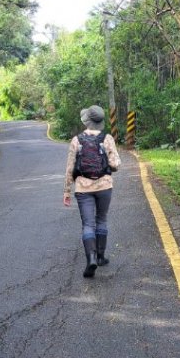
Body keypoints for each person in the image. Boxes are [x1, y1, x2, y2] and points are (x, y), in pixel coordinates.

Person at [63, 105, 120, 277]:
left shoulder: (76, 140)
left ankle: (91, 259)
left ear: (87, 121)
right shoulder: (107, 138)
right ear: (100, 121)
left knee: (88, 224)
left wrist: (66, 191)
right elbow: (116, 163)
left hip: (83, 188)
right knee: (101, 220)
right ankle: (101, 257)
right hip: (104, 186)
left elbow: (70, 168)